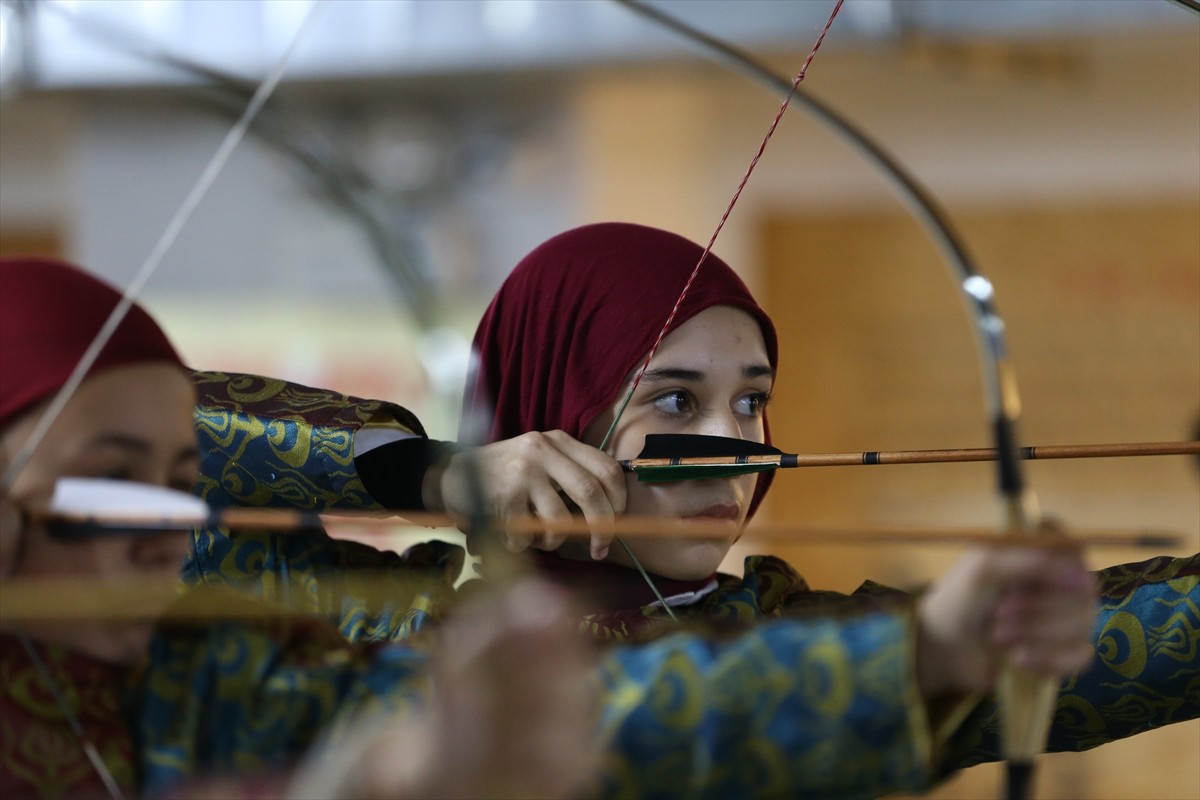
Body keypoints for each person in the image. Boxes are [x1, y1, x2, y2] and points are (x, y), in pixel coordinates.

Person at [181, 223, 1195, 796]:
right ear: (547, 416)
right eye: (674, 402)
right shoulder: (367, 630)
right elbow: (128, 437)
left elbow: (1129, 647)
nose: (735, 447)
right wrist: (433, 476)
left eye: (752, 401)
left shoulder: (799, 644)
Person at [0, 256, 596, 800]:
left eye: (182, 486)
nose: (164, 540)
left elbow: (400, 728)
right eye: (113, 477)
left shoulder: (212, 671)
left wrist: (398, 765)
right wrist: (432, 472)